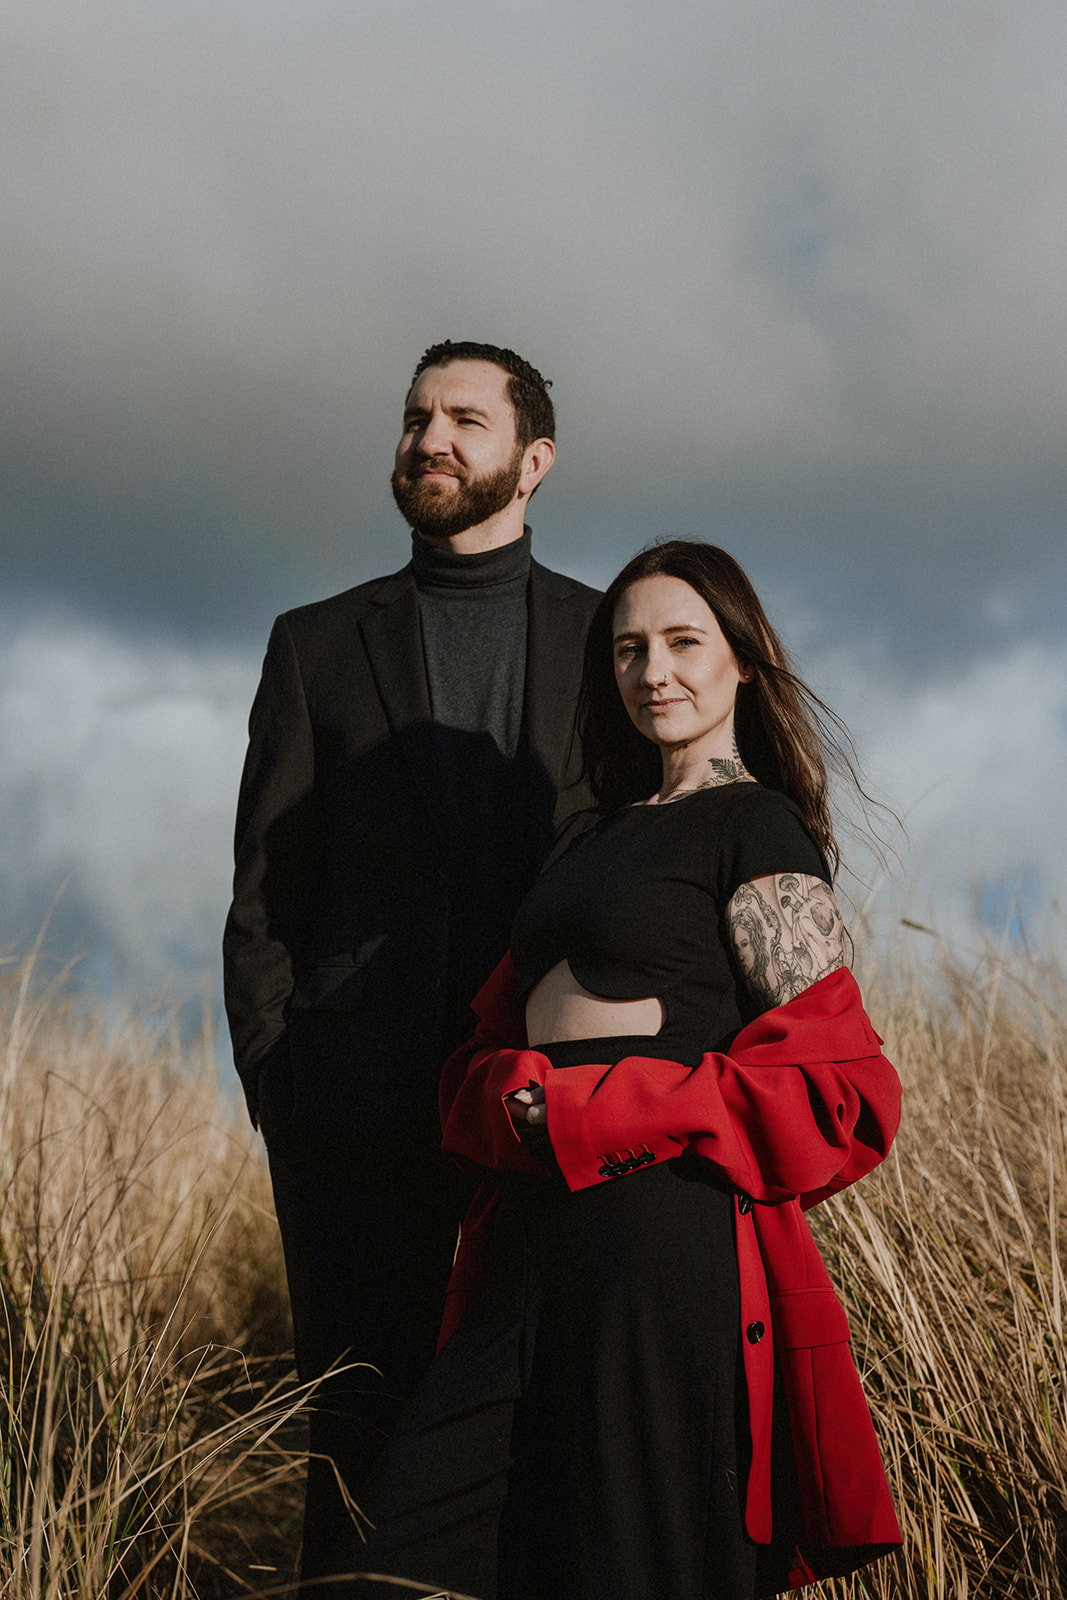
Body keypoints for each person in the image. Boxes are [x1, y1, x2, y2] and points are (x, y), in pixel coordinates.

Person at [353, 541, 903, 1600]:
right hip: (524, 1240)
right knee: (397, 1556)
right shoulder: (582, 842)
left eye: (682, 642)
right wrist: (506, 1102)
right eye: (628, 649)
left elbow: (836, 1093)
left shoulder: (755, 827)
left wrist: (591, 1108)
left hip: (662, 1245)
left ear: (742, 659)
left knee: (637, 1569)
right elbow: (485, 1051)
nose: (653, 670)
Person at [222, 340, 600, 1582]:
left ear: (531, 460)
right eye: (413, 417)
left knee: (536, 1431)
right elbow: (266, 895)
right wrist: (281, 1084)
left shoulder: (610, 642)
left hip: (547, 1108)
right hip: (349, 1112)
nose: (428, 438)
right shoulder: (316, 643)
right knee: (357, 1433)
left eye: (463, 420)